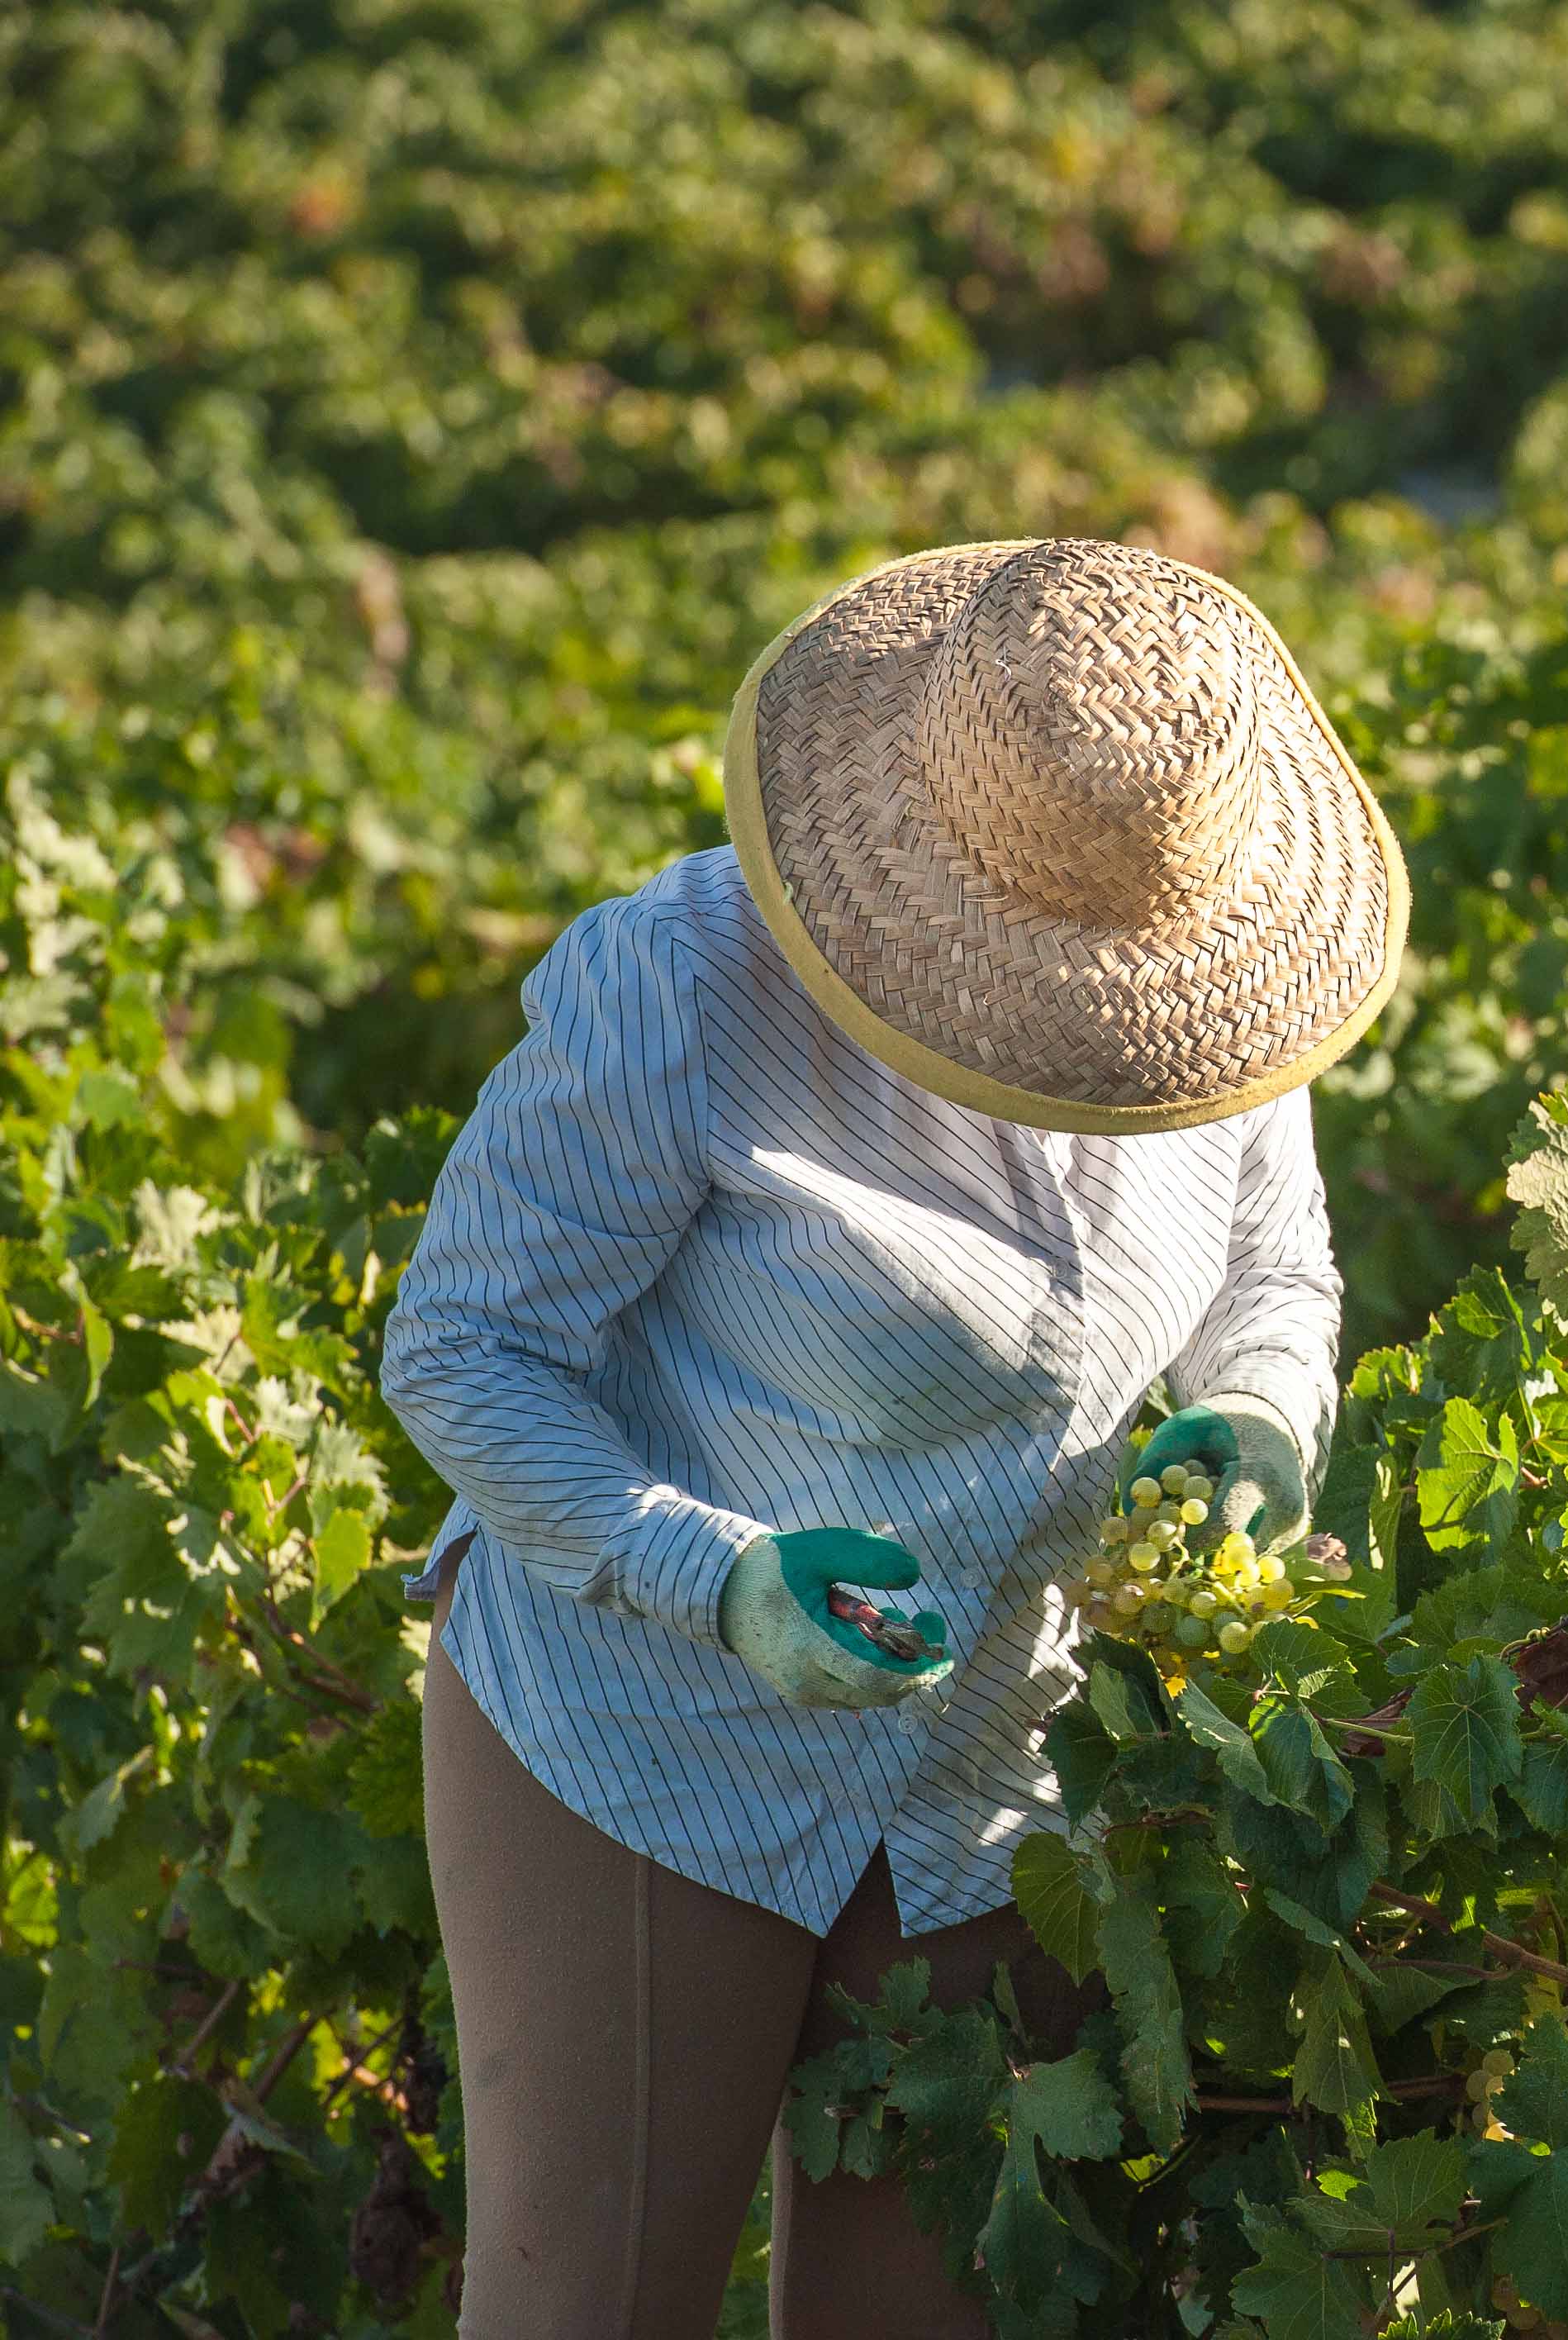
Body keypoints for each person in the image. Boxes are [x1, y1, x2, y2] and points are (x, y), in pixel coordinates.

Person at [380, 538, 1408, 2336]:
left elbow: (1278, 1265)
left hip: (991, 1791)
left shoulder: (1220, 994)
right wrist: (723, 1576)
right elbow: (463, 1351)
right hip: (645, 1749)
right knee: (592, 2308)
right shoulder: (679, 987)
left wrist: (1257, 1410)